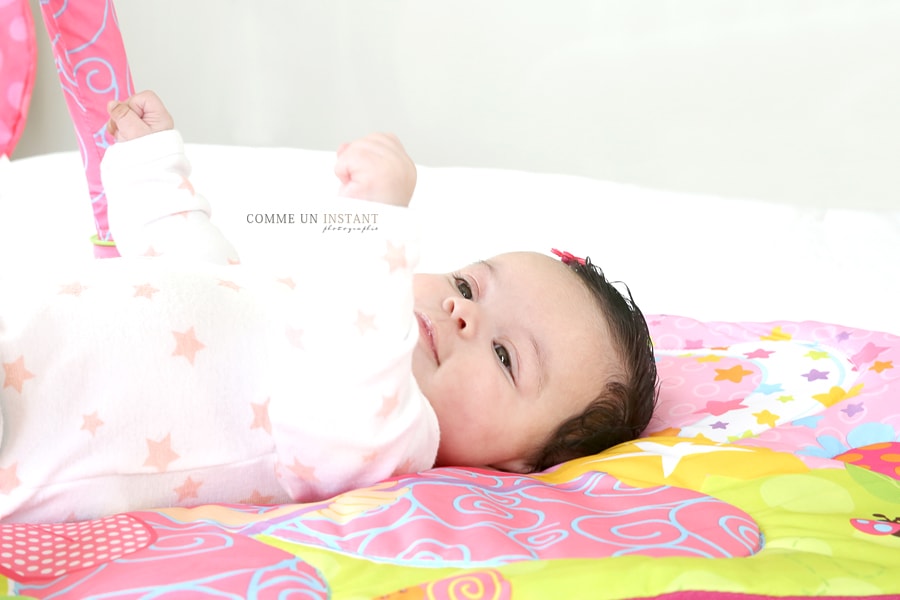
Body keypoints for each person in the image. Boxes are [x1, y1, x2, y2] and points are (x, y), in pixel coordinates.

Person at [0, 92, 657, 523]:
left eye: (506, 355)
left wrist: (374, 224)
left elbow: (350, 372)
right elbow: (196, 272)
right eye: (466, 286)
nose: (461, 317)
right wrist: (153, 177)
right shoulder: (308, 313)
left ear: (518, 462)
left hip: (25, 436)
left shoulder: (388, 439)